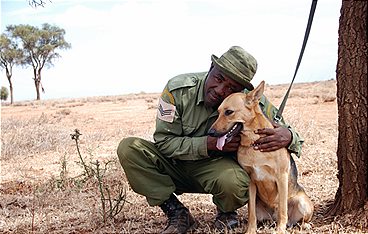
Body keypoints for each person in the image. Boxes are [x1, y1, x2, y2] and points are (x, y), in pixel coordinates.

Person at [117, 46, 303, 233]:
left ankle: (226, 212)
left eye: (231, 87)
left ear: (241, 90)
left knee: (237, 181)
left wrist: (288, 136)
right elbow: (164, 142)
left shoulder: (247, 102)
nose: (220, 90)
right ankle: (176, 212)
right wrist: (207, 144)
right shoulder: (179, 90)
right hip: (174, 165)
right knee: (129, 148)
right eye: (219, 78)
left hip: (216, 171)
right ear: (211, 66)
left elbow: (283, 130)